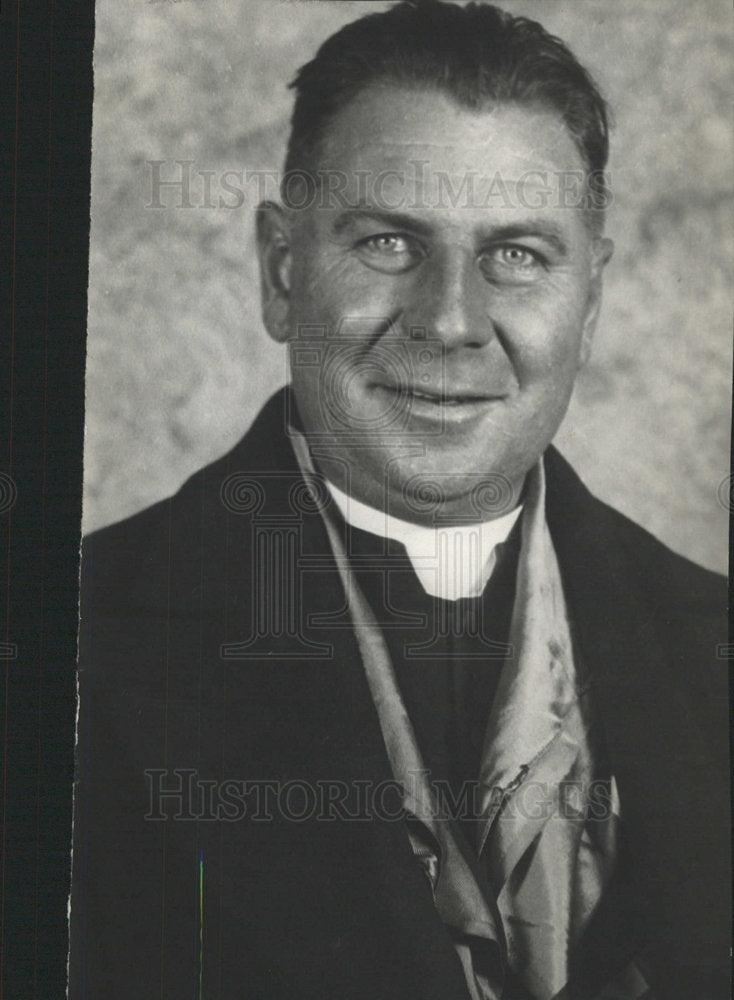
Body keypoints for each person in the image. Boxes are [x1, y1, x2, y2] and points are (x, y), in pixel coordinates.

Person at [68, 2, 729, 998]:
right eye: (386, 243)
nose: (450, 319)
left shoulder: (711, 639)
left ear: (587, 300)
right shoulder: (58, 640)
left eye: (515, 254)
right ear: (282, 270)